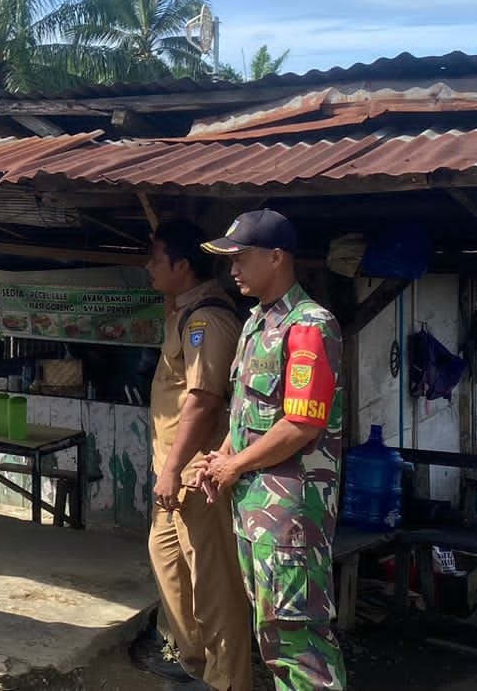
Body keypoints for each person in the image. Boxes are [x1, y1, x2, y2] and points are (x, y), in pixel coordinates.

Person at [199, 209, 347, 691]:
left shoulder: (309, 326)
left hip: (290, 516)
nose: (233, 269)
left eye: (241, 258)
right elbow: (248, 412)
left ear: (277, 257)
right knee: (273, 637)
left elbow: (302, 423)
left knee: (299, 640)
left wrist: (234, 465)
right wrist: (221, 457)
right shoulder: (255, 324)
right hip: (256, 510)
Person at [135, 220, 253, 691]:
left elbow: (203, 402)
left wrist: (171, 470)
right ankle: (195, 664)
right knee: (167, 560)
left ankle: (228, 680)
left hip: (197, 473)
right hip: (174, 474)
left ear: (182, 266)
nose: (147, 267)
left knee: (212, 581)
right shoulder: (184, 312)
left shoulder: (208, 319)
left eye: (156, 259)